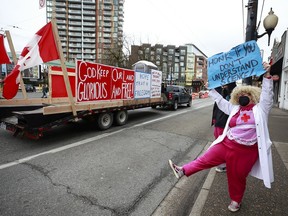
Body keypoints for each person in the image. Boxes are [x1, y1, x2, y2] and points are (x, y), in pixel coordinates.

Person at [169, 62, 274, 212]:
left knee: (236, 177)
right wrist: (210, 88)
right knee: (204, 159)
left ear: (254, 97)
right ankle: (183, 170)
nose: (244, 97)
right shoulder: (235, 108)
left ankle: (236, 200)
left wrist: (267, 76)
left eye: (248, 94)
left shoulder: (261, 109)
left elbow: (267, 97)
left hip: (245, 152)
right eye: (241, 95)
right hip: (227, 143)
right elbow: (220, 101)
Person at [211, 83, 236, 173]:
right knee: (219, 143)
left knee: (222, 144)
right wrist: (214, 119)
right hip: (219, 122)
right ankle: (222, 164)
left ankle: (223, 164)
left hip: (225, 124)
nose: (223, 84)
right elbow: (216, 107)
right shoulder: (222, 93)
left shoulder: (233, 94)